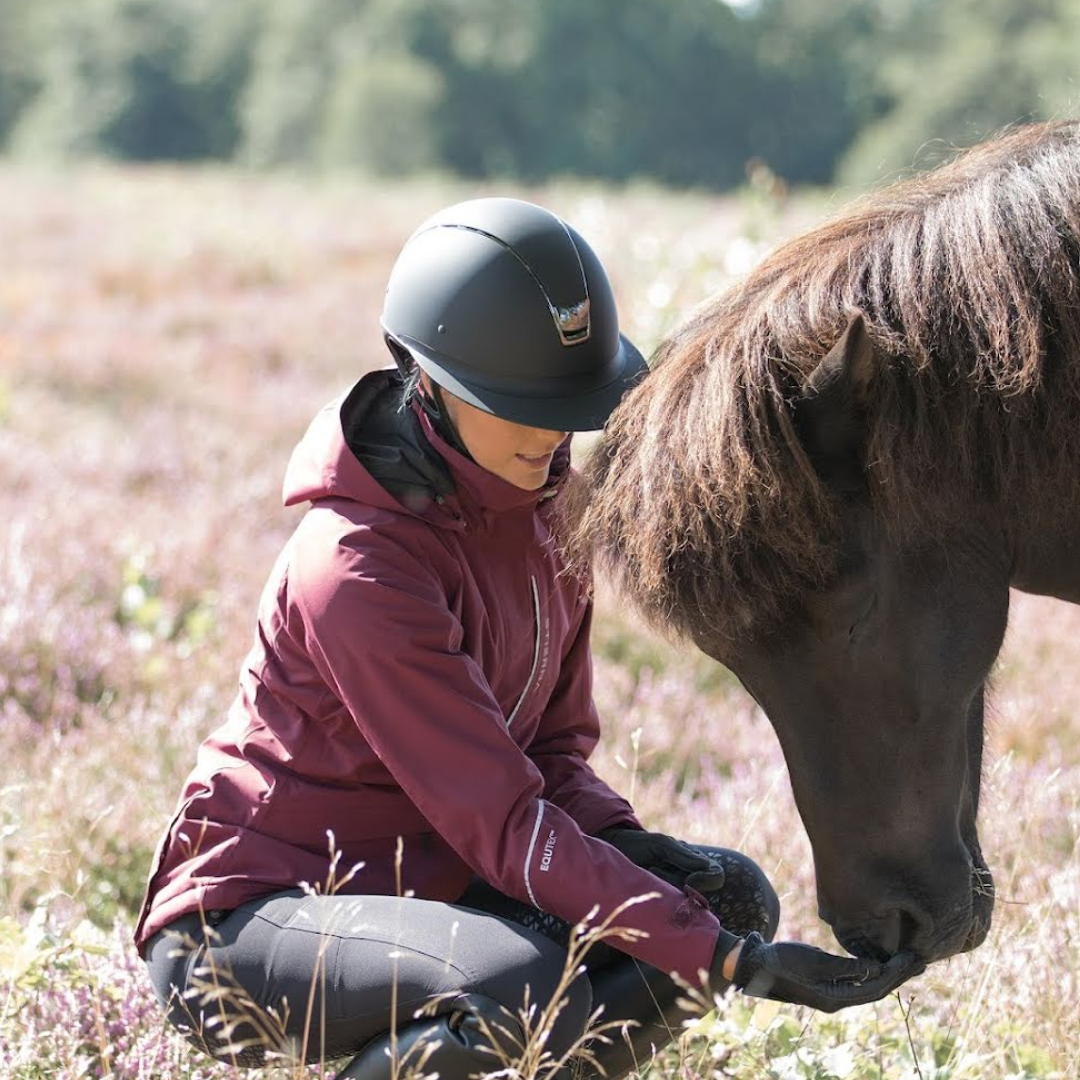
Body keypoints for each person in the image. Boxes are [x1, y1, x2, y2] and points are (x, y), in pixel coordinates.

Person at [134, 197, 914, 1080]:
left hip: (433, 887)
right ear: (427, 380)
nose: (552, 435)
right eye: (519, 405)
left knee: (725, 895)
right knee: (525, 985)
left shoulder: (548, 508)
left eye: (566, 406)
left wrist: (638, 851)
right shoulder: (356, 567)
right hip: (249, 923)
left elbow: (552, 755)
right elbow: (505, 821)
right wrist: (728, 962)